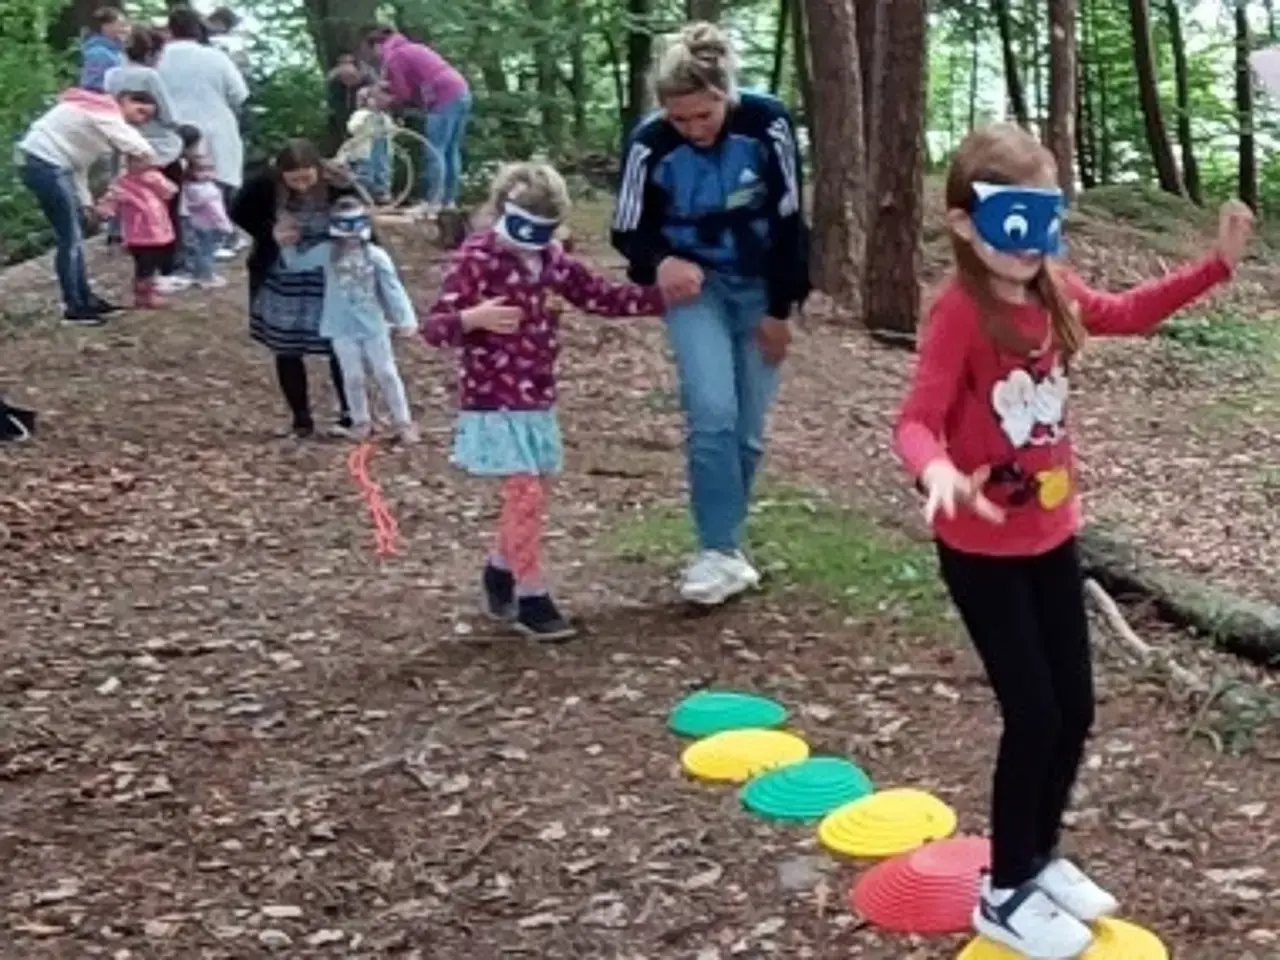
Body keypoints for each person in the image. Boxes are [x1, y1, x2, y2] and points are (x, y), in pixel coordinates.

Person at [892, 123, 1252, 960]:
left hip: (1052, 536)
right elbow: (915, 419)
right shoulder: (959, 312)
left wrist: (1216, 266)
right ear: (964, 223)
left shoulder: (1049, 285)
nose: (1028, 246)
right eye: (1011, 224)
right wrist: (935, 470)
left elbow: (1124, 312)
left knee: (1075, 710)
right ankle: (1003, 892)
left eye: (1043, 220)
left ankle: (1038, 857)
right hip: (980, 550)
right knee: (1034, 714)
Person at [609, 22, 809, 607]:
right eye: (680, 119)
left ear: (727, 95)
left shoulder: (766, 124)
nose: (693, 129)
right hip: (698, 291)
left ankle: (730, 549)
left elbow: (790, 221)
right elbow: (627, 229)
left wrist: (780, 310)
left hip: (761, 287)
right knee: (712, 412)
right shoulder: (650, 144)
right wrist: (661, 261)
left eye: (704, 115)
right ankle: (715, 547)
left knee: (746, 431)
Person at [422, 162, 664, 641]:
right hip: (493, 396)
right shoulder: (477, 257)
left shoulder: (552, 260)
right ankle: (531, 594)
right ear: (502, 211)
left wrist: (664, 298)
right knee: (525, 492)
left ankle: (500, 569)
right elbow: (434, 328)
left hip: (536, 393)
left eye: (544, 231)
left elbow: (600, 297)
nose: (532, 241)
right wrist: (473, 318)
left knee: (531, 494)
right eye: (524, 228)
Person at [231, 139, 358, 438]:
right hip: (284, 276)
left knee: (340, 344)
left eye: (307, 178)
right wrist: (270, 232)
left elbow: (362, 226)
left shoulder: (339, 186)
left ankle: (350, 412)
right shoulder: (262, 187)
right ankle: (301, 418)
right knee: (286, 347)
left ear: (318, 170)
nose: (301, 186)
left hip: (329, 276)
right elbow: (238, 212)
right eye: (294, 180)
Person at [274, 197, 419, 443]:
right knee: (352, 376)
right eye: (344, 226)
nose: (350, 235)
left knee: (386, 372)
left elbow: (392, 288)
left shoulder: (376, 255)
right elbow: (297, 264)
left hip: (373, 325)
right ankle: (360, 421)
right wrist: (287, 244)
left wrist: (405, 318)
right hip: (340, 326)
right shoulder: (326, 253)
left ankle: (403, 421)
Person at [16, 88, 157, 325]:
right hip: (45, 163)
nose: (140, 119)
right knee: (70, 238)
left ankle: (85, 299)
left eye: (147, 117)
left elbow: (78, 165)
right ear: (124, 101)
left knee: (74, 237)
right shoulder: (104, 110)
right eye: (140, 111)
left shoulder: (95, 119)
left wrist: (86, 203)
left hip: (51, 164)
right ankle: (74, 308)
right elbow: (136, 144)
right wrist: (147, 155)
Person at [157, 5, 249, 260]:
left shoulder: (157, 59)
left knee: (177, 187)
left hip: (173, 129)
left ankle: (179, 243)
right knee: (216, 182)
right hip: (215, 126)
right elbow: (239, 94)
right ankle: (218, 238)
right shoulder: (215, 57)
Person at [105, 26, 190, 291]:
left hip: (126, 150)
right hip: (159, 150)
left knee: (138, 213)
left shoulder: (112, 75)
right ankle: (166, 268)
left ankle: (143, 271)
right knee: (166, 212)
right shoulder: (149, 76)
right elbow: (170, 116)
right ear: (153, 52)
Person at [365, 25, 470, 213]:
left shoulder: (394, 56)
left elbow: (403, 93)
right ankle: (448, 201)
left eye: (373, 51)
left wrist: (386, 102)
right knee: (450, 150)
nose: (376, 56)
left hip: (442, 96)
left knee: (434, 150)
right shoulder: (410, 48)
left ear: (377, 46)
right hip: (460, 91)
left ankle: (432, 202)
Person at [97, 153, 179, 308]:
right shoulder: (123, 182)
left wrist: (156, 181)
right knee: (144, 264)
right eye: (133, 160)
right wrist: (104, 211)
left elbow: (170, 191)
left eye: (143, 160)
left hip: (158, 229)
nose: (138, 164)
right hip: (138, 232)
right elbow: (111, 198)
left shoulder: (154, 177)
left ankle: (149, 291)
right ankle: (143, 294)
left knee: (154, 261)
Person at [182, 152, 234, 288]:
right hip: (211, 225)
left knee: (201, 250)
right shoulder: (209, 191)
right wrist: (225, 225)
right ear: (191, 171)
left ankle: (200, 273)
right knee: (207, 252)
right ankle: (206, 277)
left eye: (210, 169)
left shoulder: (189, 187)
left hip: (197, 223)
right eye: (201, 170)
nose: (207, 174)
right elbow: (217, 210)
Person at [342, 86, 393, 205]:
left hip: (381, 148)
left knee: (382, 171)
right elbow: (352, 128)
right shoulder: (360, 114)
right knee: (365, 172)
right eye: (372, 98)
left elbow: (391, 131)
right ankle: (364, 196)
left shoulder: (384, 116)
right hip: (365, 150)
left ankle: (381, 194)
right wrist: (363, 120)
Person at [79, 6, 129, 93]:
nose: (124, 29)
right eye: (120, 24)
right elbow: (91, 85)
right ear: (106, 26)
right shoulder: (97, 53)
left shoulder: (117, 50)